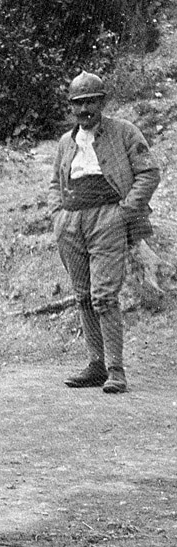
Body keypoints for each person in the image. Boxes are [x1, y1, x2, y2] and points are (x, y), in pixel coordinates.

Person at [50, 70, 160, 393]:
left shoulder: (124, 132)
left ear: (102, 103)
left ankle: (116, 369)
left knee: (104, 296)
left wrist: (124, 212)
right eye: (78, 104)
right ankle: (95, 364)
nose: (85, 111)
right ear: (71, 107)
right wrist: (58, 215)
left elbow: (149, 172)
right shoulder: (65, 142)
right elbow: (54, 184)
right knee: (82, 295)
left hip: (107, 220)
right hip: (71, 223)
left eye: (91, 103)